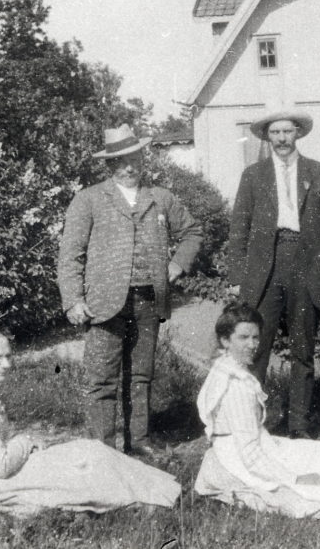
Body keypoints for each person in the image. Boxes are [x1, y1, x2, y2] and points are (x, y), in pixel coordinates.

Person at [58, 124, 203, 455]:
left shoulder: (160, 197)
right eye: (120, 161)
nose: (128, 167)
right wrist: (73, 300)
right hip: (103, 303)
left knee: (141, 375)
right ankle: (103, 451)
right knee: (101, 380)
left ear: (142, 159)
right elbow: (70, 255)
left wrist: (177, 265)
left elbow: (192, 232)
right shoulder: (89, 199)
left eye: (134, 159)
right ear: (109, 165)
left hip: (148, 301)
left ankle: (138, 442)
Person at [0, 328, 181, 516]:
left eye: (8, 356)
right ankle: (149, 499)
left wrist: (24, 444)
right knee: (78, 468)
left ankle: (162, 490)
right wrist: (25, 441)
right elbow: (1, 465)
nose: (6, 364)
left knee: (89, 451)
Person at [193, 302, 320, 518]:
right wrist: (295, 479)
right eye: (243, 338)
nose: (252, 344)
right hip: (238, 459)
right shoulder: (237, 386)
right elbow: (250, 454)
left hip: (245, 447)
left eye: (255, 337)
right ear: (226, 340)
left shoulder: (225, 367)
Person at [226, 110, 320, 438]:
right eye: (275, 133)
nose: (281, 138)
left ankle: (298, 426)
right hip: (264, 268)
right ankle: (249, 424)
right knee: (256, 348)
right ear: (267, 137)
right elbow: (239, 227)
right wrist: (236, 276)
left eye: (287, 131)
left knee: (302, 350)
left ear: (298, 133)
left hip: (306, 264)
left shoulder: (317, 172)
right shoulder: (253, 175)